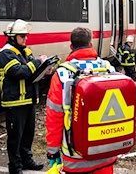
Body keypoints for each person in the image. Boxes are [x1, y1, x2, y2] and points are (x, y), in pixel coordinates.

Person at [46, 27, 117, 174]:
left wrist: (52, 151)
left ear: (71, 46)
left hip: (76, 157)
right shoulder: (108, 68)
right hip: (106, 152)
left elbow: (55, 116)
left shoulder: (62, 74)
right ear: (91, 44)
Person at [0, 19, 45, 174]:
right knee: (15, 138)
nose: (25, 39)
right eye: (22, 36)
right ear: (12, 37)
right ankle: (15, 167)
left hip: (28, 100)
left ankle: (26, 160)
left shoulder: (26, 51)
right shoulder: (5, 53)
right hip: (15, 102)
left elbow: (32, 71)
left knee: (27, 134)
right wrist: (38, 62)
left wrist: (45, 69)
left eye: (26, 36)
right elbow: (19, 72)